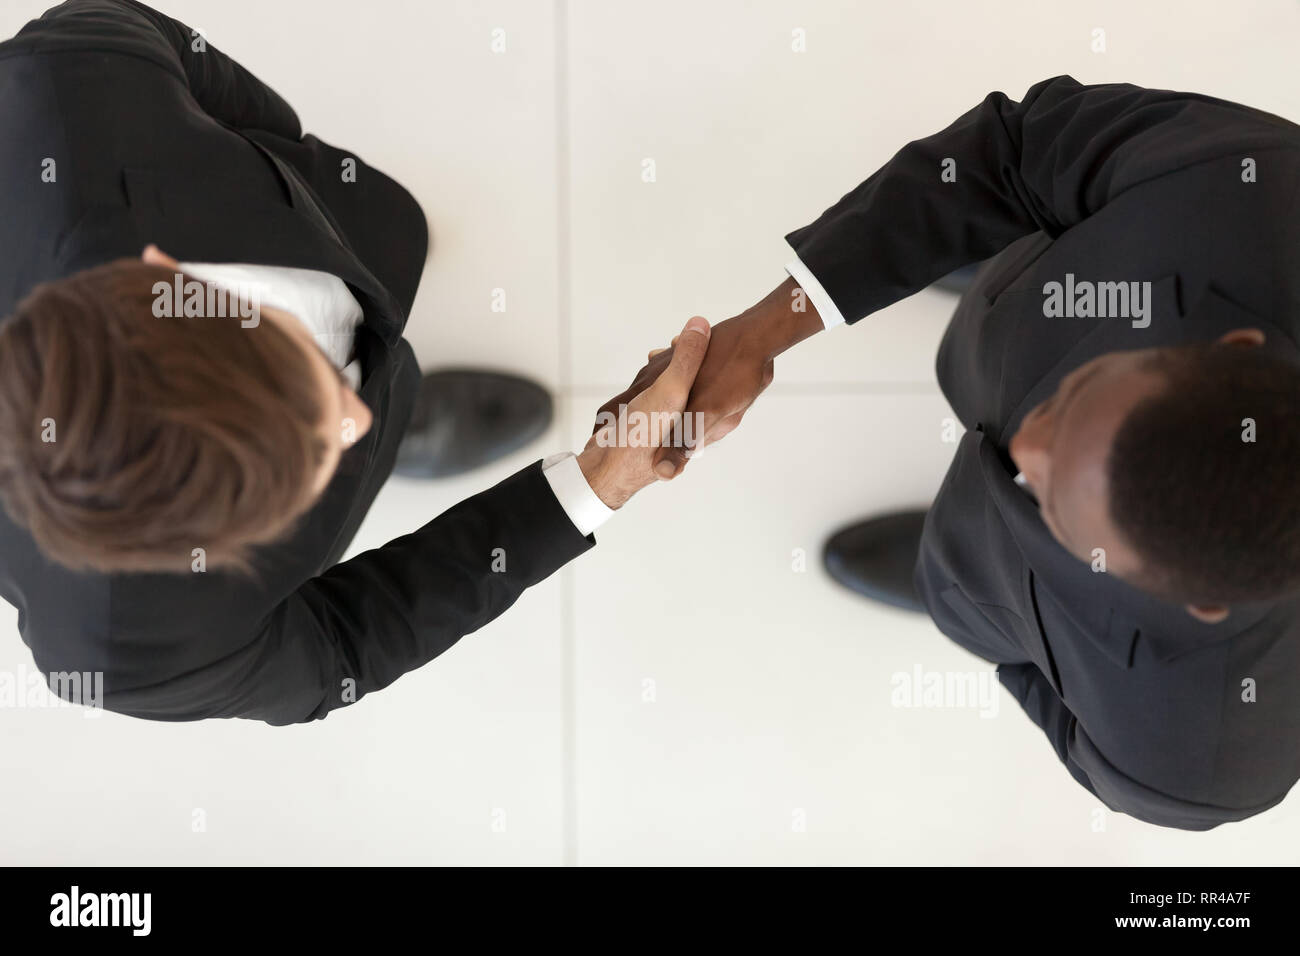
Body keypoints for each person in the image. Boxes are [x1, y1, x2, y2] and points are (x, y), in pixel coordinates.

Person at [603, 75, 1300, 830]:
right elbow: (1013, 152)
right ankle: (1028, 245)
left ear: (1201, 603)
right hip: (1033, 309)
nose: (1022, 450)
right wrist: (770, 327)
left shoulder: (1200, 760)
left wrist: (991, 605)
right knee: (1012, 235)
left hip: (1002, 593)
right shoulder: (1251, 191)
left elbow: (1038, 688)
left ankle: (949, 574)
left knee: (954, 592)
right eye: (1074, 400)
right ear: (1237, 346)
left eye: (1059, 507)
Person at [0, 0, 707, 724]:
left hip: (306, 220)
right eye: (300, 462)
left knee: (392, 239)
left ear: (164, 277)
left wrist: (281, 146)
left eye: (300, 382)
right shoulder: (124, 652)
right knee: (386, 406)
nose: (350, 421)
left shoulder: (69, 88)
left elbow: (182, 58)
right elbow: (346, 644)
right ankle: (406, 418)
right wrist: (597, 482)